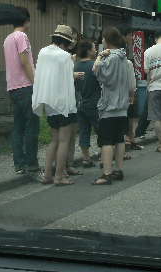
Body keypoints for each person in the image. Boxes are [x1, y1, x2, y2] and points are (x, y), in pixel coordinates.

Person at [32, 25, 78, 186]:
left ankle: (47, 175)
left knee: (53, 140)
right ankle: (59, 176)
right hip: (63, 102)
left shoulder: (43, 52)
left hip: (48, 102)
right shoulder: (65, 56)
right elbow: (67, 81)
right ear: (66, 42)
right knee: (64, 140)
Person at [92, 27, 135, 185]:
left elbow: (99, 74)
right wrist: (130, 97)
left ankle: (107, 173)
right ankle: (119, 170)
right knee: (119, 139)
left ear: (107, 40)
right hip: (123, 106)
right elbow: (132, 85)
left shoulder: (109, 58)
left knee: (107, 141)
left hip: (110, 105)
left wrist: (99, 57)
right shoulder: (126, 60)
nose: (102, 41)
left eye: (103, 39)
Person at [3, 7, 39, 176]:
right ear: (26, 20)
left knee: (18, 126)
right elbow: (25, 62)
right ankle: (31, 163)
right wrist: (35, 83)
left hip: (12, 87)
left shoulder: (7, 39)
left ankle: (19, 164)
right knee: (32, 126)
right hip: (25, 86)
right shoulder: (22, 36)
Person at [73, 39, 101, 168]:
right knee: (101, 130)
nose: (95, 50)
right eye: (94, 48)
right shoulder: (94, 65)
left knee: (84, 131)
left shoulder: (75, 66)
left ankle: (86, 158)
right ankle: (104, 156)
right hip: (94, 103)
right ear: (89, 51)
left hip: (79, 103)